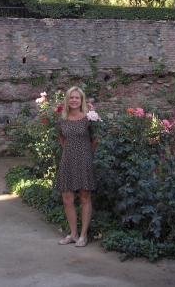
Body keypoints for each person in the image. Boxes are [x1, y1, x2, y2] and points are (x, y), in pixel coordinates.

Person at [55, 86, 98, 247]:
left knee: (84, 198)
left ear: (82, 100)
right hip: (67, 161)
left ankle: (83, 235)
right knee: (67, 199)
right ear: (67, 100)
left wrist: (87, 154)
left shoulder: (88, 119)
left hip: (84, 162)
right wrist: (71, 153)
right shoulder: (62, 120)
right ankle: (73, 234)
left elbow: (95, 139)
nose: (74, 100)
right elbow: (62, 139)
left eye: (77, 98)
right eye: (71, 97)